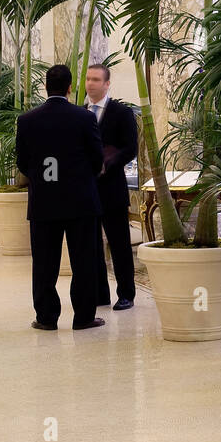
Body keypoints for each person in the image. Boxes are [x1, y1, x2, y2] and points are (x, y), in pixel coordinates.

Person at [16, 64, 105, 330]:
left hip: (44, 202)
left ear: (46, 87)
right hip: (80, 202)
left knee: (44, 263)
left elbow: (22, 163)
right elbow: (97, 158)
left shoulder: (27, 120)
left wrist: (44, 180)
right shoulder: (84, 117)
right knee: (84, 261)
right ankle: (84, 317)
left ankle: (46, 318)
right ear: (70, 88)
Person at [84, 63, 139, 311]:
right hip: (87, 190)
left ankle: (126, 293)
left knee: (119, 244)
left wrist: (109, 163)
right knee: (91, 244)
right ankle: (98, 293)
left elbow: (130, 148)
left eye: (96, 79)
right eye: (87, 79)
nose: (90, 83)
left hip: (112, 188)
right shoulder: (80, 113)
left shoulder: (121, 112)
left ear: (107, 84)